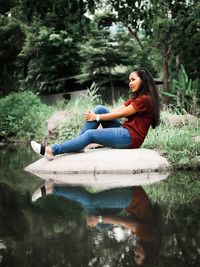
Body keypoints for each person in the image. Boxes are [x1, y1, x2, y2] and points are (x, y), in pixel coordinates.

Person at [31, 68, 160, 160]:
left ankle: (52, 150)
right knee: (99, 108)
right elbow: (117, 110)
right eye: (129, 80)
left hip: (131, 138)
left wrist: (96, 118)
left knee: (90, 134)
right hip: (126, 132)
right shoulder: (137, 98)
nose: (130, 83)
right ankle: (79, 144)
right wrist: (97, 115)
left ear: (143, 80)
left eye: (133, 79)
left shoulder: (145, 99)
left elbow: (120, 115)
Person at [32, 180, 163, 267]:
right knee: (92, 202)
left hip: (130, 202)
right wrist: (99, 218)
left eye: (135, 256)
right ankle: (52, 188)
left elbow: (126, 221)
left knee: (102, 227)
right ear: (148, 254)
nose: (135, 252)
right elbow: (125, 221)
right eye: (138, 256)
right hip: (132, 198)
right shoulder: (148, 236)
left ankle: (80, 194)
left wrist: (100, 220)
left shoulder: (148, 237)